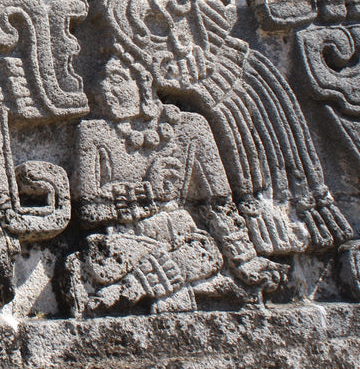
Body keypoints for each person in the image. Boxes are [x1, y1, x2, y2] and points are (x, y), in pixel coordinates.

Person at [66, 49, 285, 315]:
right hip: (126, 242)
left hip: (185, 239)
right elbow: (90, 211)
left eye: (118, 79)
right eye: (102, 83)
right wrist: (150, 191)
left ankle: (128, 290)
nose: (106, 90)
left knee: (207, 253)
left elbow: (219, 206)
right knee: (100, 257)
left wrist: (245, 260)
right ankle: (170, 286)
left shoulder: (191, 128)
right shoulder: (93, 133)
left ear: (145, 83)